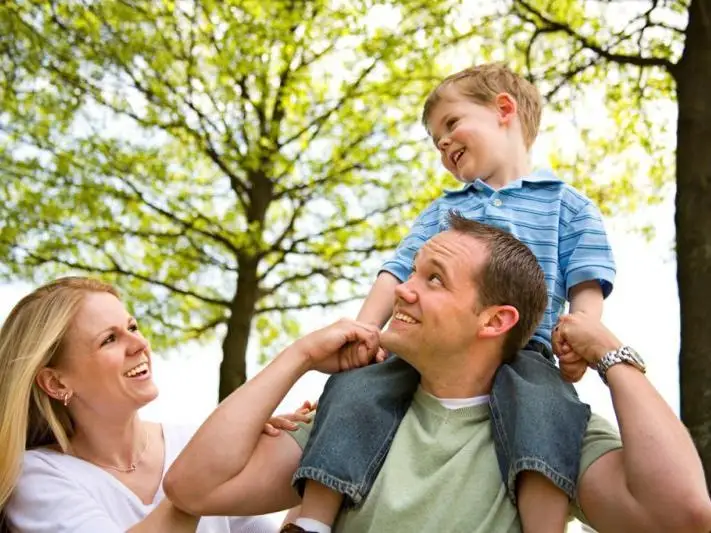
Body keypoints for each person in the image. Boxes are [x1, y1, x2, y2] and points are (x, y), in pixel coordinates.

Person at [164, 216, 711, 533]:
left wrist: (612, 356)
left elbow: (684, 514)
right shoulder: (355, 417)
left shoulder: (552, 430)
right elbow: (192, 486)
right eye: (412, 272)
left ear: (495, 320)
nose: (404, 289)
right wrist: (299, 356)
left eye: (434, 279)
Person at [285, 62, 617, 533]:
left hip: (526, 349)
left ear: (503, 109)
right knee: (354, 390)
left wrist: (581, 335)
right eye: (435, 140)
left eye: (451, 124)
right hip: (432, 348)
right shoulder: (446, 209)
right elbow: (397, 271)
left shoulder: (568, 205)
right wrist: (365, 329)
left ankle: (544, 526)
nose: (442, 144)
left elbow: (587, 281)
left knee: (549, 411)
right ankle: (313, 520)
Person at [0, 277, 284, 533]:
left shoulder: (192, 442)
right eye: (109, 339)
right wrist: (198, 481)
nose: (139, 343)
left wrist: (312, 444)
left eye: (132, 327)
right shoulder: (37, 477)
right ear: (56, 383)